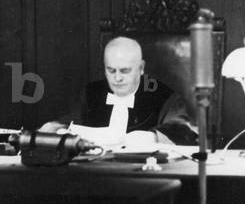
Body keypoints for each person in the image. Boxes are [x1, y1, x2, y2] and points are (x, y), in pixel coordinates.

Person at [40, 36, 197, 147]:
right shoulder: (91, 93)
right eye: (111, 70)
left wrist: (153, 137)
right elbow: (71, 120)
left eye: (125, 71)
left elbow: (181, 128)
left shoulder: (164, 96)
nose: (117, 78)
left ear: (141, 68)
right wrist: (56, 126)